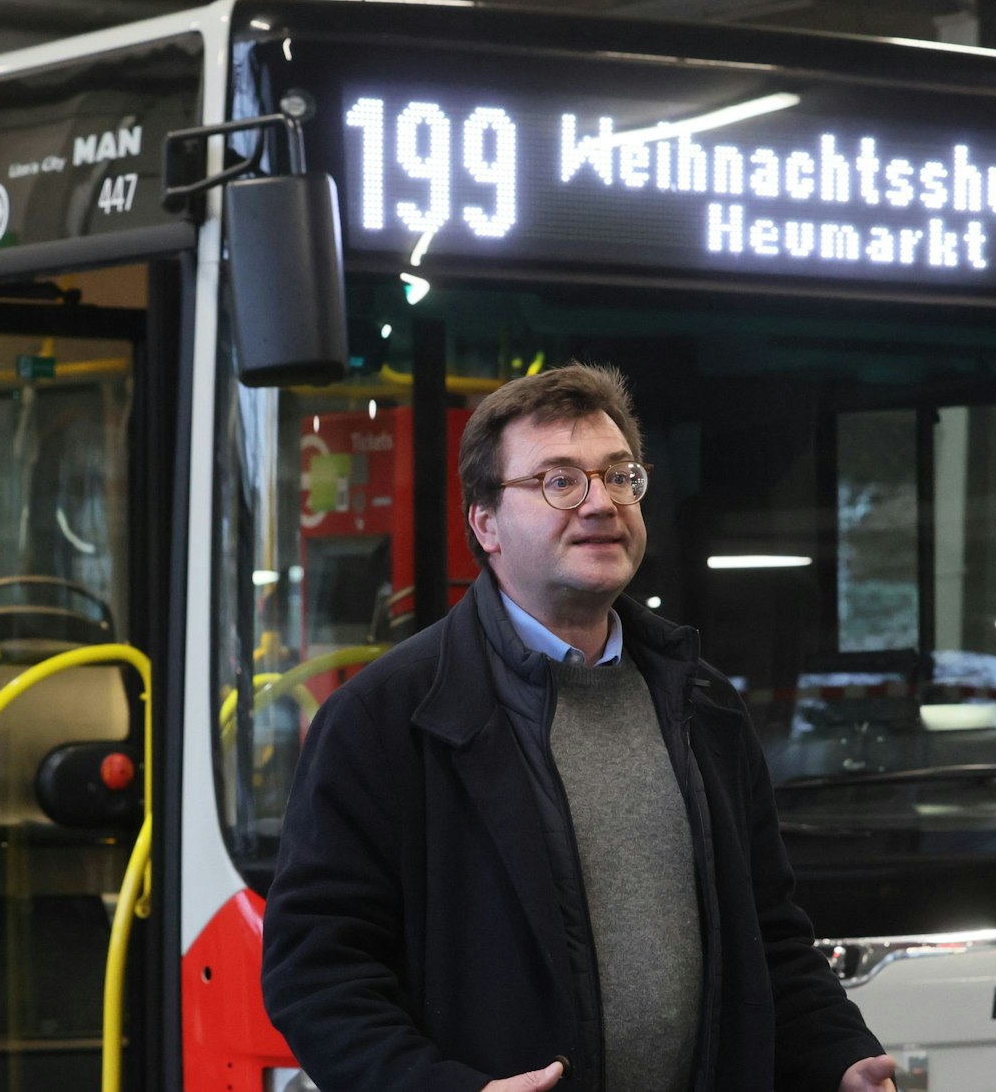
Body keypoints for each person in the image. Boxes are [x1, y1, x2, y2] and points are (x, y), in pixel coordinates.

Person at [262, 364, 895, 1092]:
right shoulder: (385, 719)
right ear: (485, 523)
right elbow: (317, 971)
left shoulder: (704, 705)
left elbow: (771, 937)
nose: (601, 503)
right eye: (559, 481)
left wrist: (840, 1054)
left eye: (620, 476)